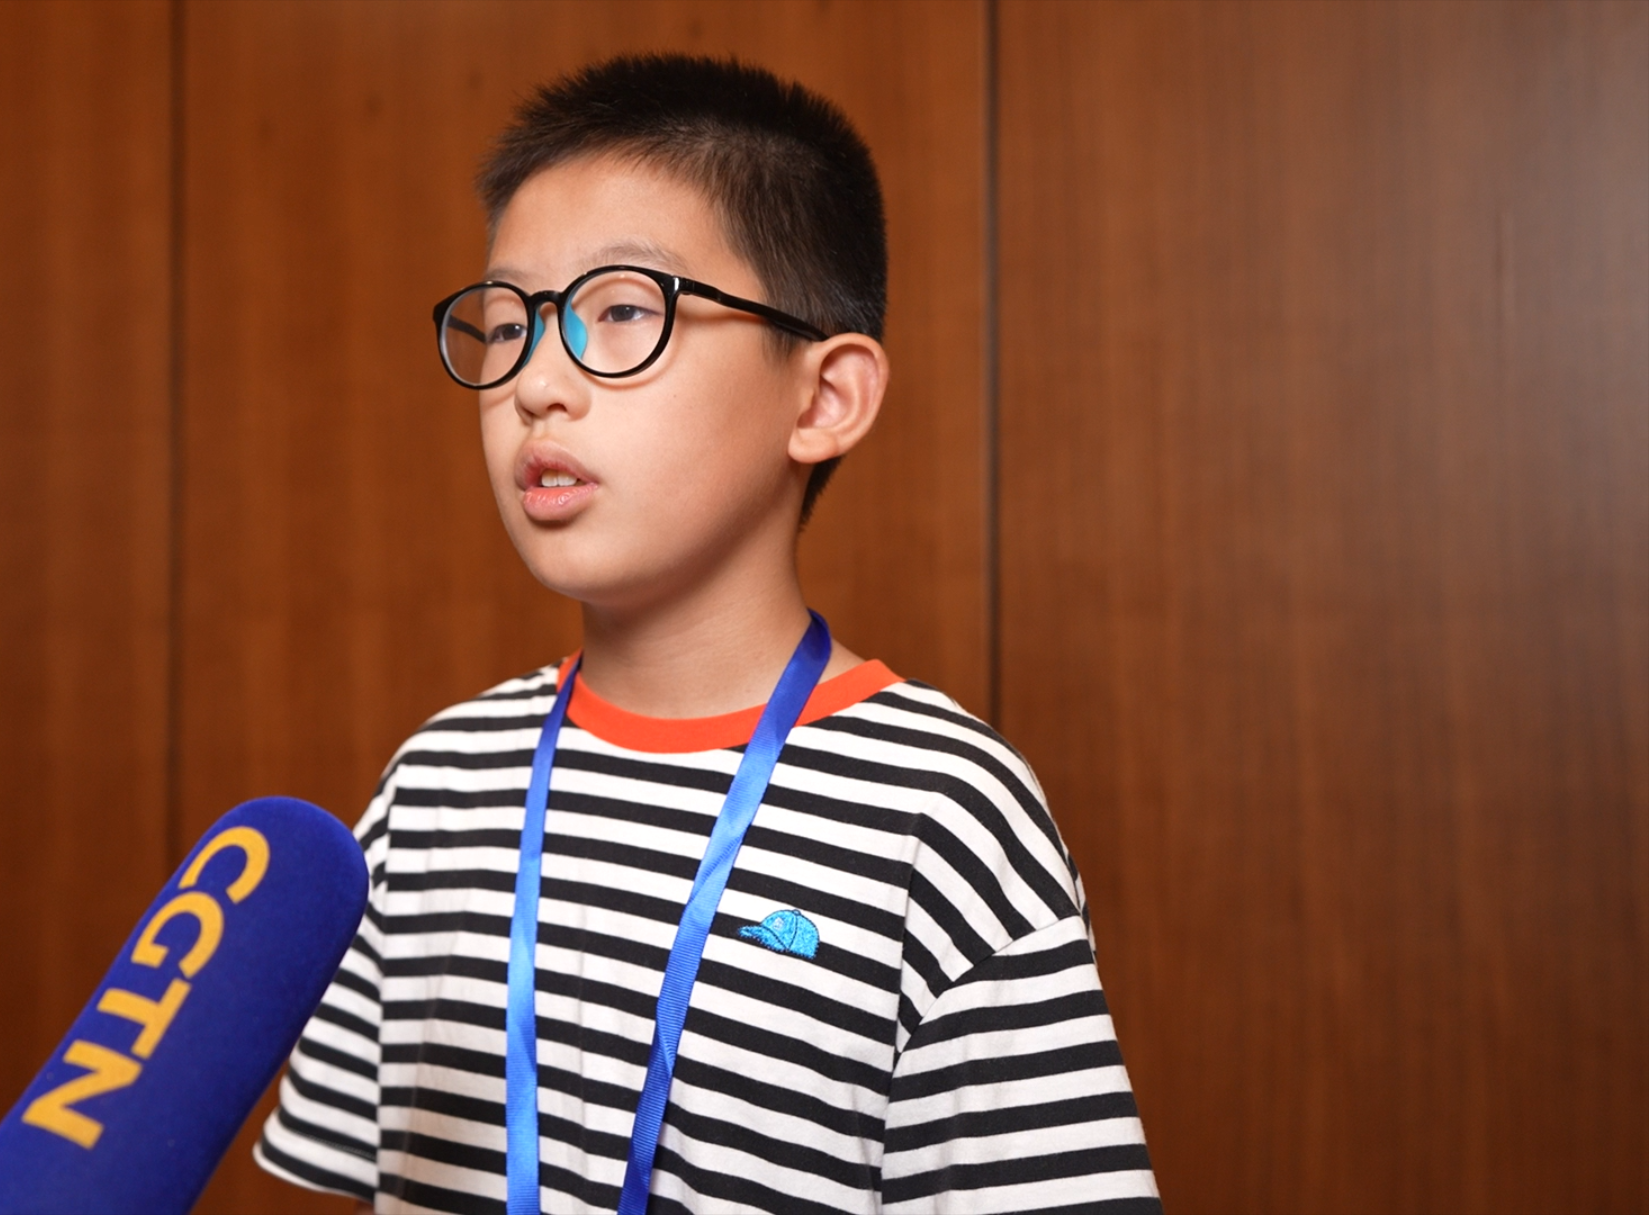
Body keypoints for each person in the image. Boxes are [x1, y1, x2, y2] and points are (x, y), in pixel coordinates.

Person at [255, 53, 1159, 1215]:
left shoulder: (943, 817)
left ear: (822, 398)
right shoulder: (435, 789)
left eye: (621, 312)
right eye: (507, 323)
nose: (536, 383)